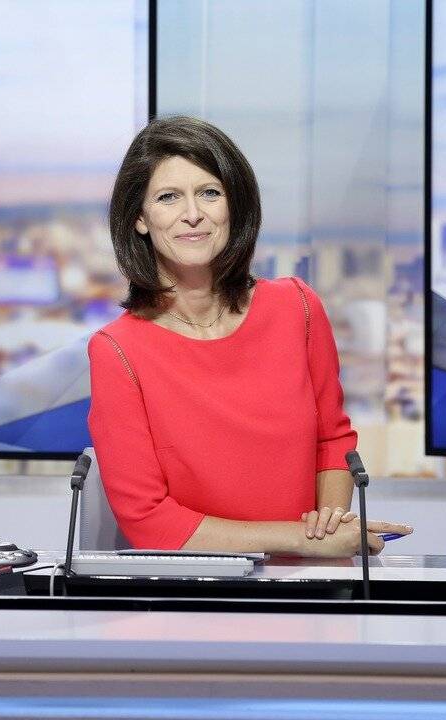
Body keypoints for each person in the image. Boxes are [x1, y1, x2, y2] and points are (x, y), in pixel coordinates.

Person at [88, 116, 412, 557]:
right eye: (168, 197)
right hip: (197, 589)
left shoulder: (297, 307)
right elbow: (148, 522)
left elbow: (332, 440)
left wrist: (328, 532)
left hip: (312, 581)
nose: (193, 214)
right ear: (140, 218)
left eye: (210, 192)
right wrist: (305, 541)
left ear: (234, 205)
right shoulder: (118, 351)